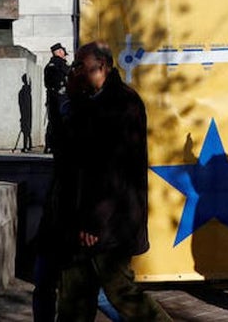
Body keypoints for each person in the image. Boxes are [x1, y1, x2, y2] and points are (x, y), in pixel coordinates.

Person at [49, 41, 171, 321]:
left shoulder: (122, 103)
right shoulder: (86, 101)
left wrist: (94, 222)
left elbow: (114, 170)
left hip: (109, 222)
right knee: (73, 297)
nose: (75, 70)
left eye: (80, 65)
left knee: (121, 291)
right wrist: (68, 100)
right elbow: (66, 151)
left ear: (101, 66)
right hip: (80, 219)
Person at [43, 42, 70, 154]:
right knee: (63, 121)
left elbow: (47, 83)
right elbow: (70, 75)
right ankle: (60, 145)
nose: (64, 55)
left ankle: (49, 146)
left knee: (52, 122)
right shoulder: (61, 64)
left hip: (51, 98)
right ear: (59, 52)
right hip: (62, 98)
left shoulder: (49, 65)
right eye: (63, 52)